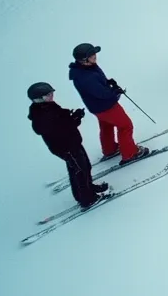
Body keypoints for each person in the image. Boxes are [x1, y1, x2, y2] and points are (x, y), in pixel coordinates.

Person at [28, 81, 109, 209]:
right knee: (79, 170)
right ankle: (87, 199)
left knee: (84, 166)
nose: (51, 96)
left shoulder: (49, 106)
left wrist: (75, 117)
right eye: (48, 94)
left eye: (51, 93)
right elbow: (58, 127)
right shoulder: (41, 115)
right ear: (38, 98)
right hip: (65, 147)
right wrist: (72, 120)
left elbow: (65, 122)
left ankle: (88, 188)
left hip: (72, 142)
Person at [67, 43, 148, 164]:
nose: (95, 56)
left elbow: (98, 84)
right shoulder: (86, 77)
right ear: (84, 60)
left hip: (97, 107)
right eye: (92, 55)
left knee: (106, 126)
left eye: (94, 53)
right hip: (106, 106)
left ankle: (109, 149)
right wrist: (114, 91)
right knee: (125, 126)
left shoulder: (86, 68)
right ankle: (130, 153)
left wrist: (107, 82)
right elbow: (102, 93)